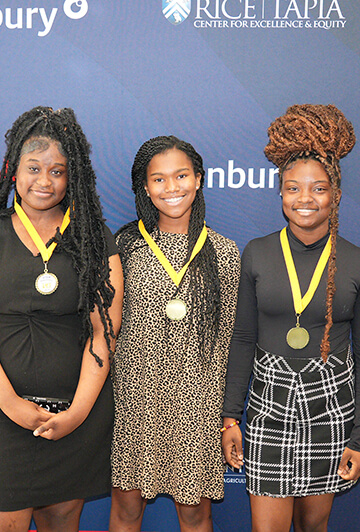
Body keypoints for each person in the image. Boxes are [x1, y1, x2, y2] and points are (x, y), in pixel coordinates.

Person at [0, 106, 123, 532]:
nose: (44, 181)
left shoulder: (95, 239)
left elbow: (105, 331)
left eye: (57, 171)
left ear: (73, 177)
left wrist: (77, 413)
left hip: (75, 416)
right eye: (33, 168)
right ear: (13, 170)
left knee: (62, 521)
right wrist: (11, 404)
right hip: (1, 414)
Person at [222, 104, 360, 532]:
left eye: (318, 188)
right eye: (293, 188)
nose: (305, 199)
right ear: (280, 194)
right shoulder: (256, 252)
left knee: (314, 527)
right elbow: (241, 340)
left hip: (329, 409)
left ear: (335, 194)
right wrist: (230, 417)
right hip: (268, 407)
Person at [110, 136, 241, 532]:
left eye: (181, 176)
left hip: (196, 406)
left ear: (198, 179)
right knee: (126, 511)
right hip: (136, 401)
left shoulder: (224, 252)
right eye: (159, 179)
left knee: (196, 514)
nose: (171, 188)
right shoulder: (123, 246)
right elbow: (108, 330)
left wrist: (225, 417)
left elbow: (229, 338)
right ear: (145, 188)